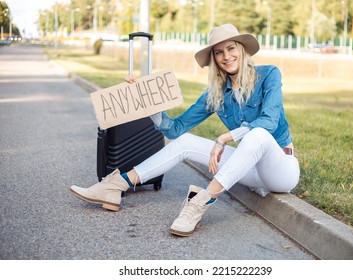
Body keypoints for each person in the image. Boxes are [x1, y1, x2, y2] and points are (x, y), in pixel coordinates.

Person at [70, 23, 300, 237]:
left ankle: (199, 203)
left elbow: (269, 121)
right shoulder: (216, 93)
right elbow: (175, 130)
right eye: (219, 52)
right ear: (214, 58)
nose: (226, 56)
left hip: (280, 170)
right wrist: (145, 98)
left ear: (241, 49)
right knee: (184, 142)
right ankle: (116, 185)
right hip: (247, 168)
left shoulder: (269, 74)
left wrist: (225, 137)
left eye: (231, 48)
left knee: (258, 133)